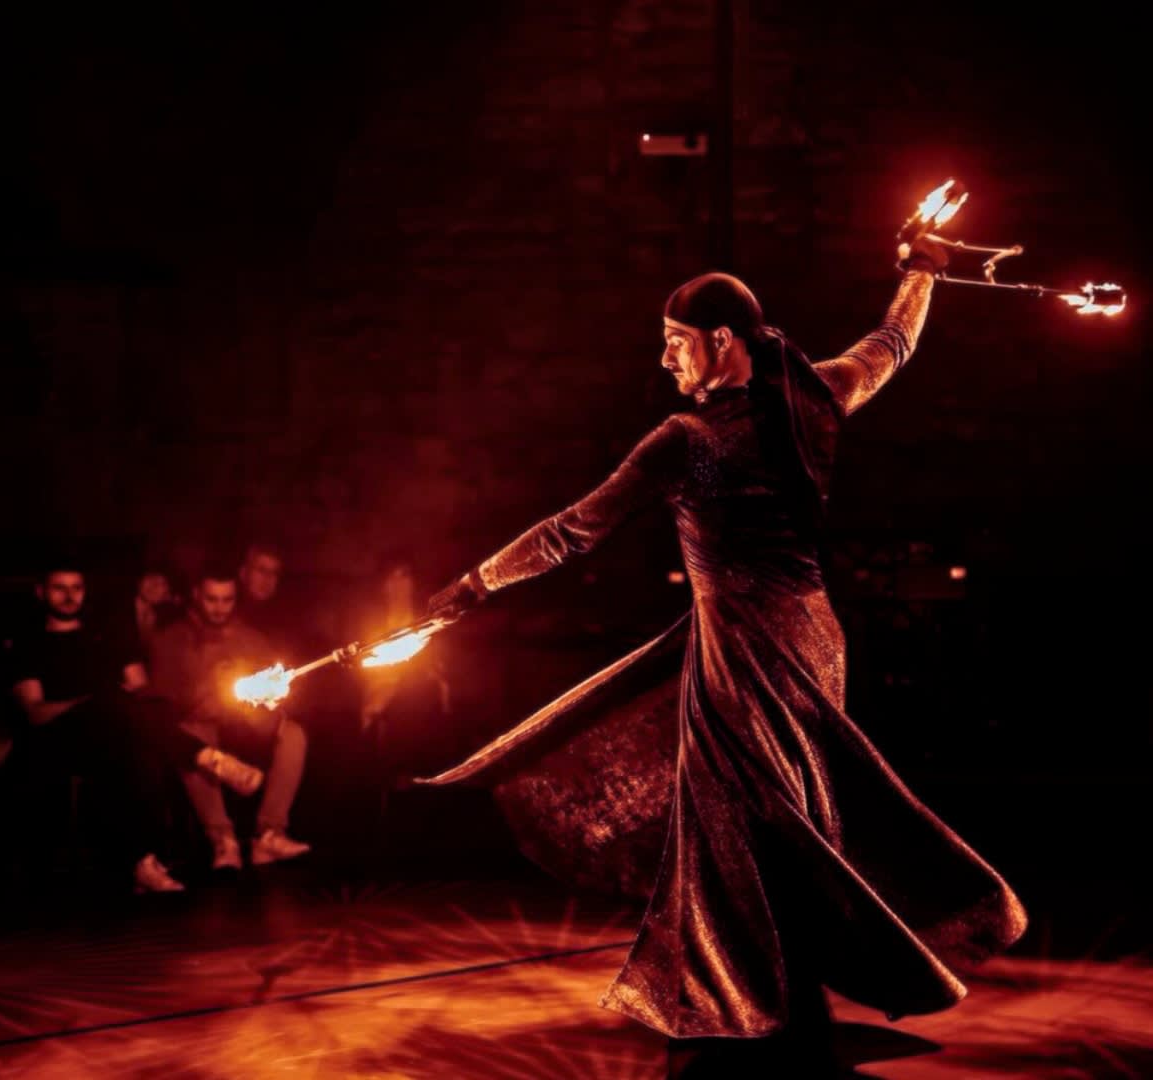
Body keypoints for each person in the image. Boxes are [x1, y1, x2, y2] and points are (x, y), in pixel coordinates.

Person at [424, 236, 1027, 1071]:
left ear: (719, 339)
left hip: (745, 654)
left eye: (675, 341)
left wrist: (473, 584)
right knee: (785, 812)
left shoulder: (686, 439)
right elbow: (891, 344)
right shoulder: (818, 393)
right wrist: (921, 270)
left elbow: (571, 531)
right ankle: (772, 986)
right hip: (812, 638)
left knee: (740, 816)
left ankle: (741, 994)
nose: (665, 357)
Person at [9, 558, 263, 893]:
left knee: (137, 735)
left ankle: (144, 863)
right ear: (41, 592)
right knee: (115, 707)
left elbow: (142, 690)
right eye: (60, 588)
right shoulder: (30, 645)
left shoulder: (103, 639)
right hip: (61, 736)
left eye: (76, 588)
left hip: (115, 730)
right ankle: (207, 758)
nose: (70, 596)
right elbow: (34, 713)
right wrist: (93, 703)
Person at [150, 565, 310, 871]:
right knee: (193, 735)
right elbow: (164, 702)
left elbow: (267, 694)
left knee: (293, 733)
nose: (219, 608)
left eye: (227, 600)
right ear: (197, 595)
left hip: (244, 728)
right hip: (199, 726)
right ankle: (223, 840)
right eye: (212, 599)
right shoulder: (172, 639)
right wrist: (208, 688)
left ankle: (269, 834)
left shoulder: (250, 638)